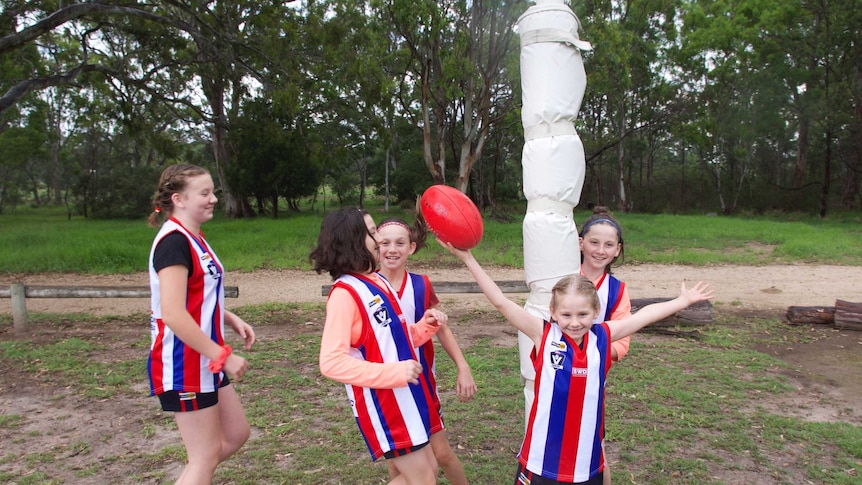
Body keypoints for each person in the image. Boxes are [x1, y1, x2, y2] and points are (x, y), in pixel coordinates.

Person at [439, 240, 713, 485]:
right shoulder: (542, 334)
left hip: (586, 463)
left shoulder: (603, 335)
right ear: (553, 312)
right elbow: (500, 302)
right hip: (541, 461)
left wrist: (682, 300)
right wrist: (468, 259)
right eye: (566, 314)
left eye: (583, 314)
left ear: (595, 312)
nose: (574, 322)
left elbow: (644, 316)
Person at [313, 208, 448, 485]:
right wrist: (394, 373)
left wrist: (425, 326)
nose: (379, 238)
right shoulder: (344, 294)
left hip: (406, 395)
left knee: (429, 470)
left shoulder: (377, 280)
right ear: (354, 241)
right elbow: (331, 362)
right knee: (423, 479)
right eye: (373, 232)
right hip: (385, 403)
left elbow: (392, 340)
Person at [146, 163, 256, 484]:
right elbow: (174, 313)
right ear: (179, 199)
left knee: (235, 434)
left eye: (213, 192)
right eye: (205, 193)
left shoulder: (194, 238)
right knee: (204, 456)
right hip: (184, 363)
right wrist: (223, 355)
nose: (213, 199)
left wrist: (226, 316)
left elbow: (195, 295)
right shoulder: (173, 242)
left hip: (203, 360)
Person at [376, 215, 476, 485]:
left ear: (412, 247)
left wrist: (462, 366)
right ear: (375, 246)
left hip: (421, 383)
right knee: (399, 463)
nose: (392, 249)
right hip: (385, 384)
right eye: (385, 242)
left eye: (400, 242)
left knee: (441, 454)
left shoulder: (421, 284)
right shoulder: (368, 287)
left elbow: (439, 327)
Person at [579, 207, 630, 485]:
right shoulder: (563, 278)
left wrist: (594, 353)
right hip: (557, 373)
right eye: (594, 242)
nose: (600, 250)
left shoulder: (617, 290)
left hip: (593, 378)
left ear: (617, 250)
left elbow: (622, 341)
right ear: (580, 243)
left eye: (608, 244)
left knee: (593, 443)